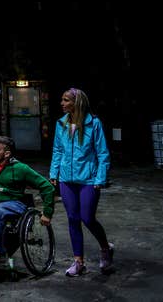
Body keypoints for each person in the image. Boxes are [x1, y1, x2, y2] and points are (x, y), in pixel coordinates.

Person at [49, 87, 114, 277]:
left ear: (76, 102)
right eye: (62, 100)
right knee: (73, 219)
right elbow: (57, 150)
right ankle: (78, 262)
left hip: (89, 179)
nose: (62, 103)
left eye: (66, 100)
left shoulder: (93, 123)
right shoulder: (60, 123)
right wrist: (54, 173)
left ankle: (105, 248)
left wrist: (101, 178)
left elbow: (102, 153)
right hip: (66, 179)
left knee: (87, 218)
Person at [0, 135, 54, 261]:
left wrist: (47, 212)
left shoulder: (21, 168)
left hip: (15, 203)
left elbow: (47, 187)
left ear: (7, 153)